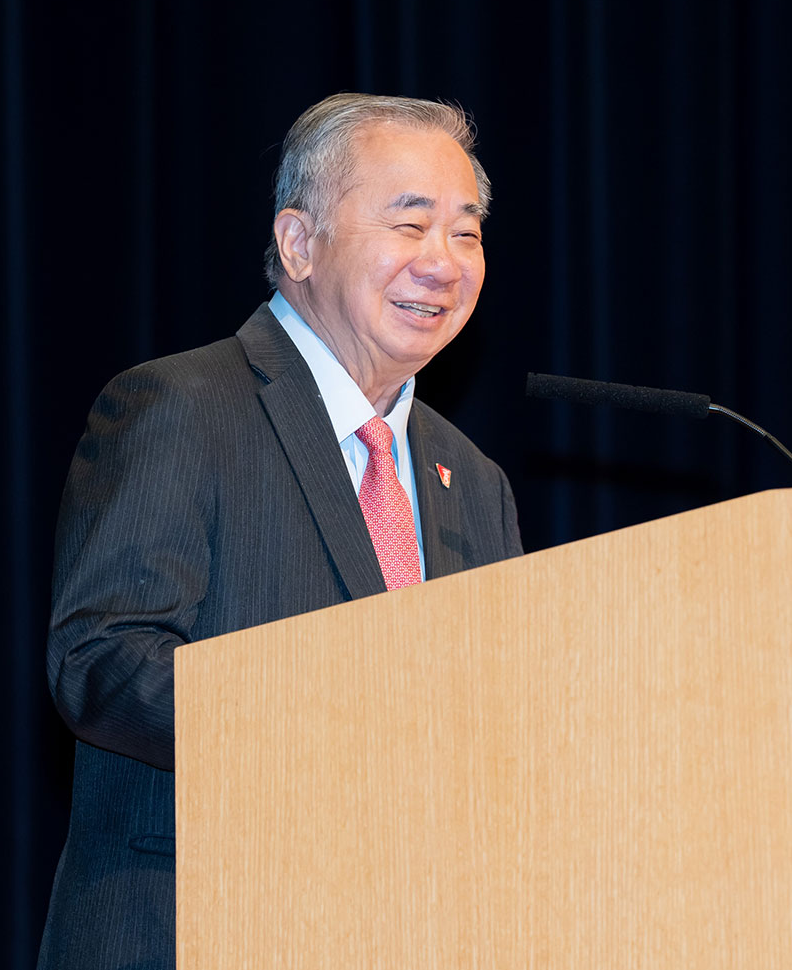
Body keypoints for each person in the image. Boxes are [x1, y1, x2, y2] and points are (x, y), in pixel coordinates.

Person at [36, 94, 522, 969]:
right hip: (195, 926)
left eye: (467, 232)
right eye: (410, 225)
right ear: (297, 243)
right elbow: (100, 660)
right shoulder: (184, 407)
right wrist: (330, 718)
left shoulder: (474, 481)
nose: (444, 264)